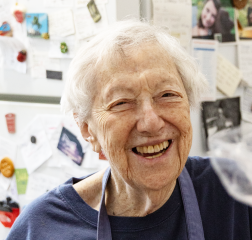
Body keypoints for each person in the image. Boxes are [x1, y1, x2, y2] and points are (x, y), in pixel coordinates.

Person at [7, 20, 252, 239]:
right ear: (87, 130)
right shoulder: (42, 227)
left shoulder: (237, 189)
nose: (151, 122)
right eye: (121, 103)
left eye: (167, 95)